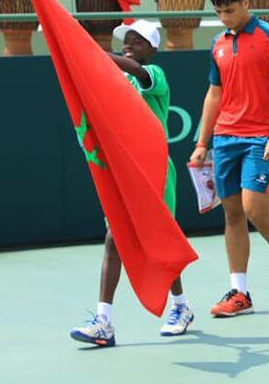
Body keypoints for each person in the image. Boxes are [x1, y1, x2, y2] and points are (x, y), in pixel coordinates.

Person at [69, 20, 192, 347]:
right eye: (127, 40)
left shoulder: (156, 77)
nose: (129, 45)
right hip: (123, 172)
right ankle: (104, 322)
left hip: (155, 172)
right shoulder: (116, 78)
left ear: (152, 49)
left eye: (138, 42)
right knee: (114, 238)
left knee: (160, 242)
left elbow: (135, 69)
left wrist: (93, 54)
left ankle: (180, 306)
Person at [189, 0, 269, 318]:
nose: (225, 17)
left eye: (230, 10)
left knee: (255, 207)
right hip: (225, 137)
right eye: (219, 12)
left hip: (261, 137)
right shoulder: (217, 43)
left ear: (246, 4)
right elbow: (215, 94)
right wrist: (202, 142)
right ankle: (240, 292)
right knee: (233, 213)